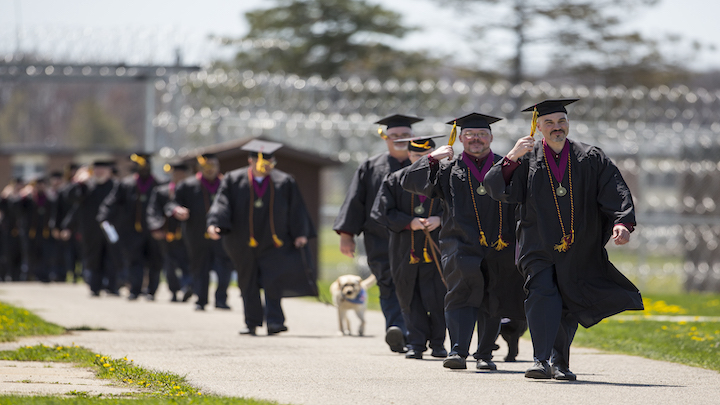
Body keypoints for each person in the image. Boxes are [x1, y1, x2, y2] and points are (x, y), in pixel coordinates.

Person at [484, 98, 644, 381]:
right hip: (537, 243)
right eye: (549, 123)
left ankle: (560, 363)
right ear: (538, 127)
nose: (557, 127)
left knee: (568, 301)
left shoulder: (590, 156)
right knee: (542, 292)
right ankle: (540, 359)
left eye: (561, 121)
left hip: (578, 243)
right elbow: (496, 188)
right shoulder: (526, 157)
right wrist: (510, 158)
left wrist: (622, 222)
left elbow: (615, 189)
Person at [401, 113, 526, 370]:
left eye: (481, 134)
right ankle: (458, 351)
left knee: (493, 297)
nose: (476, 139)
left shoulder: (507, 166)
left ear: (491, 137)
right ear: (460, 138)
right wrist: (431, 157)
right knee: (461, 293)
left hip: (499, 244)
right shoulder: (447, 169)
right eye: (470, 134)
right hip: (459, 243)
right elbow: (409, 181)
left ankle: (484, 355)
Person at [207, 140, 317, 336]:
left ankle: (275, 321)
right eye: (262, 163)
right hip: (242, 241)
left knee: (273, 280)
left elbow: (296, 208)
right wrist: (215, 222)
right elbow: (221, 203)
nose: (266, 167)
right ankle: (252, 322)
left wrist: (300, 233)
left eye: (270, 163)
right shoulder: (233, 179)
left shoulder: (284, 181)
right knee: (247, 282)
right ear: (250, 161)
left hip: (274, 241)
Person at [334, 114, 421, 353]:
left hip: (418, 239)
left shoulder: (422, 163)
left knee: (419, 286)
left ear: (414, 137)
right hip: (381, 239)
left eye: (405, 135)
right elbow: (355, 201)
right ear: (385, 138)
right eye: (395, 136)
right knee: (388, 284)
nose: (400, 140)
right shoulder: (371, 167)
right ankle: (397, 330)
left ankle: (417, 335)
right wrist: (346, 234)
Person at [371, 134, 448, 360]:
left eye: (426, 155)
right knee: (409, 296)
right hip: (406, 248)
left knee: (437, 296)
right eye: (416, 155)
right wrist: (408, 222)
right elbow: (381, 212)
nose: (421, 159)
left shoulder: (446, 178)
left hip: (437, 247)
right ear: (409, 155)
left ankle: (438, 343)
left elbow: (462, 208)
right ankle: (415, 344)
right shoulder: (395, 180)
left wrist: (441, 219)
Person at [168, 154, 234, 311]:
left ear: (218, 167)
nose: (210, 169)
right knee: (199, 267)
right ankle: (201, 299)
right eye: (206, 166)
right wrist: (178, 210)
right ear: (200, 167)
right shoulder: (188, 185)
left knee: (224, 267)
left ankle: (221, 299)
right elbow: (173, 203)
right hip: (196, 234)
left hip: (222, 233)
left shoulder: (227, 184)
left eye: (213, 165)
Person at [98, 153, 163, 301]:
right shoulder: (126, 184)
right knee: (134, 261)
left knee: (155, 261)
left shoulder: (158, 185)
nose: (144, 169)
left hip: (154, 230)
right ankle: (135, 289)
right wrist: (104, 217)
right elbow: (112, 202)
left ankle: (151, 291)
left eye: (147, 166)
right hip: (131, 230)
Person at [63, 161, 122, 296]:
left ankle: (112, 287)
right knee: (93, 258)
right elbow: (71, 200)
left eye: (103, 169)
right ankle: (95, 287)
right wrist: (77, 182)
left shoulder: (116, 186)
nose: (99, 172)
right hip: (91, 229)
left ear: (109, 171)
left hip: (112, 227)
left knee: (113, 257)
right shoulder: (87, 186)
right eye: (97, 169)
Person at [147, 162, 194, 303]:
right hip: (166, 233)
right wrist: (156, 227)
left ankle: (187, 286)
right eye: (176, 174)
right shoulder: (161, 191)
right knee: (169, 264)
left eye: (182, 174)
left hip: (187, 234)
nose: (179, 177)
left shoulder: (192, 191)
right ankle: (173, 291)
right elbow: (153, 211)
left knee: (187, 262)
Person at [16, 176, 59, 282]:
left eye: (42, 184)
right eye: (38, 185)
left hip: (45, 230)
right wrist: (23, 195)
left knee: (46, 253)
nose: (40, 187)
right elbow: (16, 209)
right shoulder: (29, 199)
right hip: (31, 231)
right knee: (30, 254)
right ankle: (28, 275)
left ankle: (44, 275)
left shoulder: (49, 198)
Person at [51, 164, 82, 283]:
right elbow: (57, 211)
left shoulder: (84, 188)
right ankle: (70, 274)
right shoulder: (63, 190)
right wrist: (56, 227)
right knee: (68, 252)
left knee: (81, 252)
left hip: (81, 226)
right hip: (66, 226)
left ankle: (81, 274)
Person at [0, 178, 25, 281]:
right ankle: (6, 275)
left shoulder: (24, 198)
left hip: (21, 230)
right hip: (7, 230)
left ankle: (17, 275)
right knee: (6, 254)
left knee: (19, 254)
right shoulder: (6, 199)